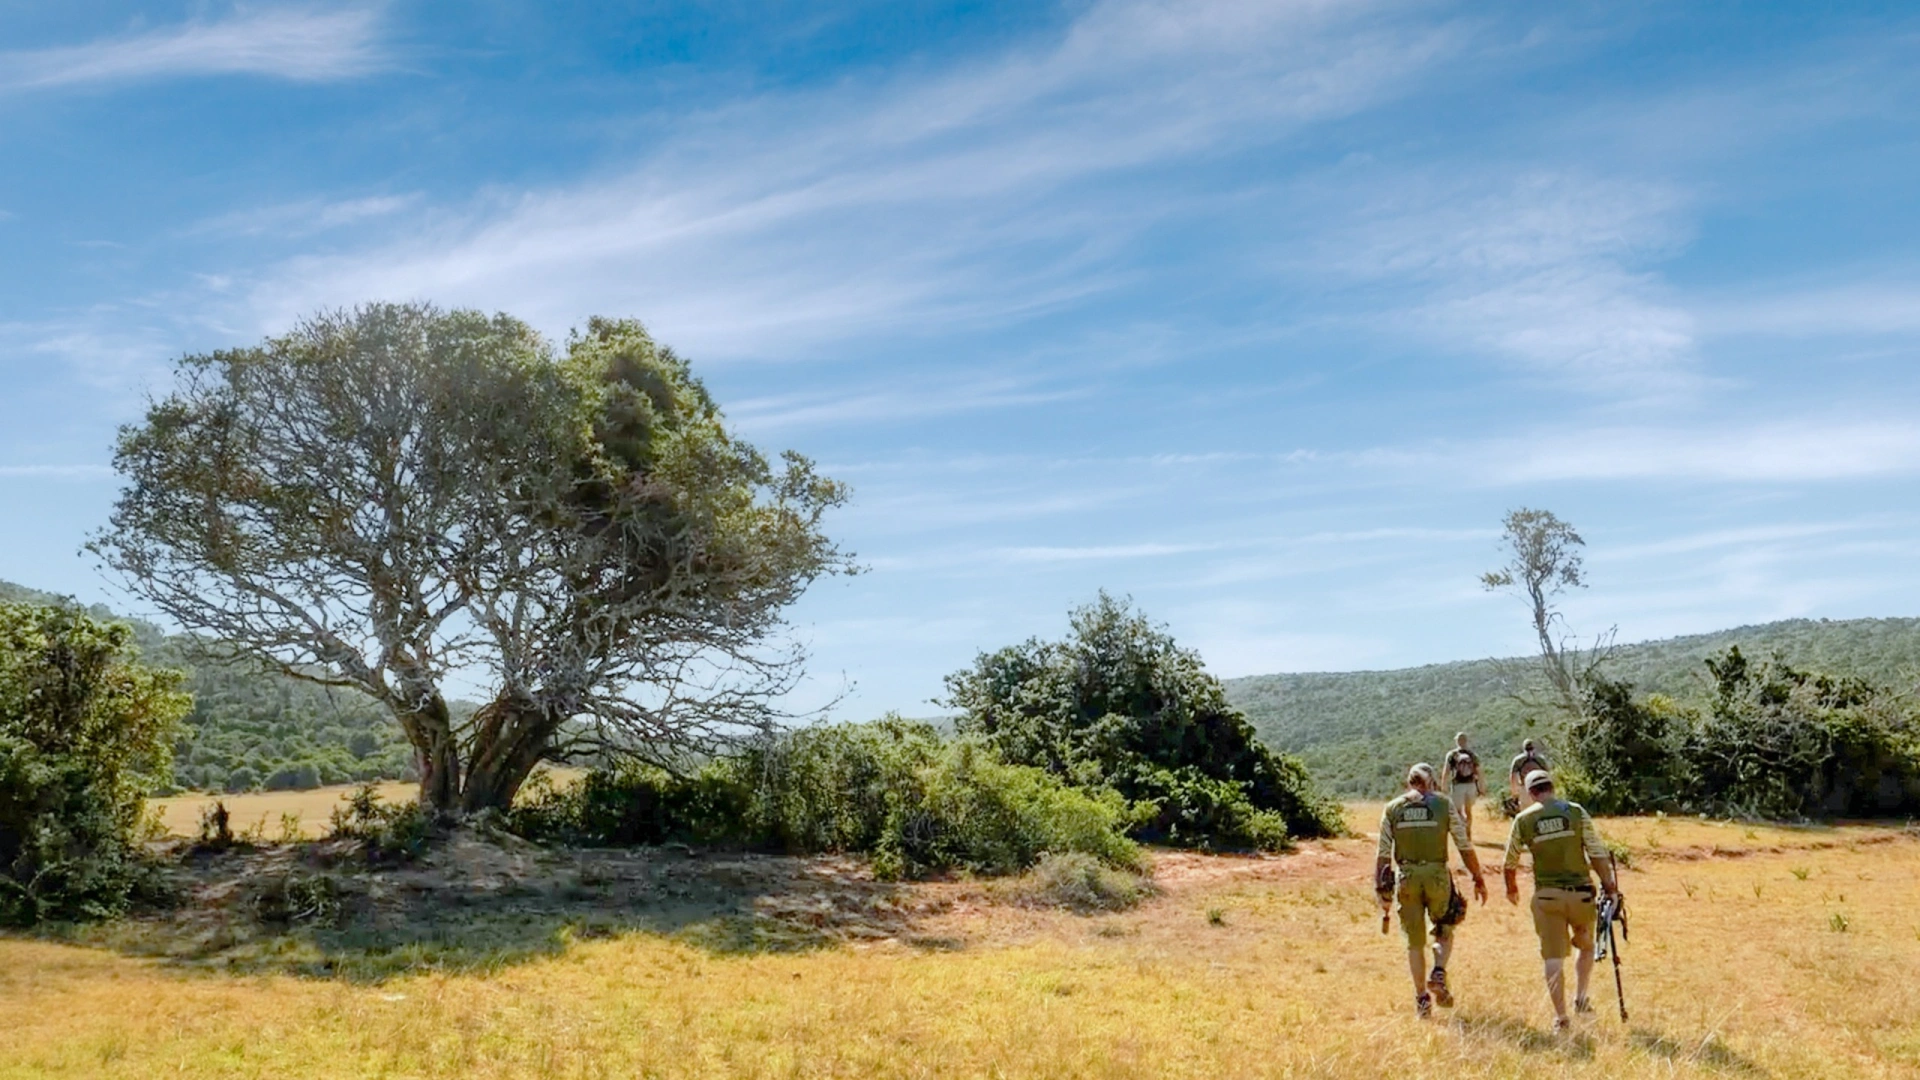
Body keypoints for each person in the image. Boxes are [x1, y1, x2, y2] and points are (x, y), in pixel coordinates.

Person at [1502, 768, 1620, 1032]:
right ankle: (1580, 997)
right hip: (1581, 893)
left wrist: (1511, 889)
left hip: (1547, 896)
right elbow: (1597, 852)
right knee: (1586, 945)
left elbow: (1509, 860)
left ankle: (1561, 1017)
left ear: (1531, 793)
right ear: (1552, 787)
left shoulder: (1523, 819)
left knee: (1553, 957)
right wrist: (1609, 887)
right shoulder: (1575, 811)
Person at [1376, 762, 1488, 1018]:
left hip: (1406, 877)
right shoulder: (1443, 804)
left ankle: (1421, 1000)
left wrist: (1381, 889)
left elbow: (1382, 853)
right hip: (1437, 875)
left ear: (1409, 782)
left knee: (1414, 942)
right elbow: (1463, 843)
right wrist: (1478, 877)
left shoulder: (1393, 808)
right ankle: (1438, 970)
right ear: (1433, 782)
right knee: (1444, 927)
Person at [1443, 733, 1485, 840]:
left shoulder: (1452, 755)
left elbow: (1446, 772)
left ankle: (1462, 827)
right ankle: (1468, 830)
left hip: (1457, 786)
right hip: (1471, 785)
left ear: (1457, 741)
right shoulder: (1472, 755)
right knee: (1468, 810)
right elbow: (1480, 772)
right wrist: (1481, 787)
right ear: (1466, 741)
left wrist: (1444, 786)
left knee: (1457, 810)